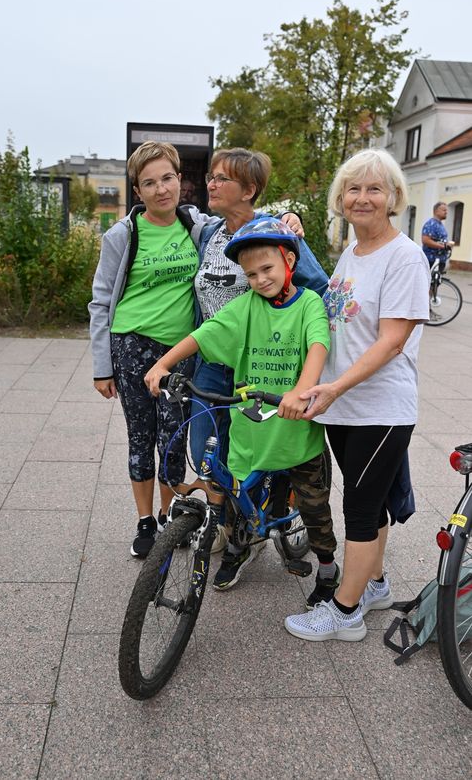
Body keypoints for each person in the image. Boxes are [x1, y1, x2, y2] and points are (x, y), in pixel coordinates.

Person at [284, 148, 430, 643]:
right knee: (372, 501)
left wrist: (335, 386)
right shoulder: (353, 251)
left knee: (362, 510)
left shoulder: (405, 257)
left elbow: (392, 341)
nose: (362, 198)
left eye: (373, 189)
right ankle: (376, 584)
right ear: (340, 198)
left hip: (379, 407)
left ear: (393, 197)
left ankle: (344, 611)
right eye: (353, 188)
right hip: (343, 404)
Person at [145, 217, 338, 593]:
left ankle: (328, 567)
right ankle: (237, 545)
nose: (260, 279)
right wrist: (163, 364)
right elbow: (204, 334)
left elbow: (318, 344)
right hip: (252, 428)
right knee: (233, 494)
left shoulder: (308, 303)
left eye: (267, 268)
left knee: (314, 507)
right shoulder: (247, 306)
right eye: (251, 274)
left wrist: (301, 390)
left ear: (289, 262)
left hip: (293, 429)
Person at [89, 141, 204, 558]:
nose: (161, 190)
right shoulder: (122, 235)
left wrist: (288, 217)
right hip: (132, 344)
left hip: (180, 349)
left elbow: (240, 225)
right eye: (149, 183)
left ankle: (170, 517)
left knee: (174, 437)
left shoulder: (196, 225)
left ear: (180, 180)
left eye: (168, 179)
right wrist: (103, 367)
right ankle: (145, 522)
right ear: (137, 191)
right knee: (142, 437)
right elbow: (101, 301)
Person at [191, 148, 329, 471]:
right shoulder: (210, 233)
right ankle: (221, 520)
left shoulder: (276, 231)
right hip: (213, 362)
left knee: (257, 455)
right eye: (211, 177)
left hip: (260, 362)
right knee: (205, 454)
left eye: (222, 179)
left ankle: (260, 518)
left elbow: (318, 287)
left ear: (249, 191)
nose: (211, 185)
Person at [421, 201, 454, 269]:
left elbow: (439, 240)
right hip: (431, 261)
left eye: (446, 210)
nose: (446, 212)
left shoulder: (440, 224)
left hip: (440, 260)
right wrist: (443, 246)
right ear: (436, 211)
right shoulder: (430, 224)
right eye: (444, 210)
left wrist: (447, 245)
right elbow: (425, 240)